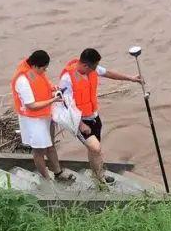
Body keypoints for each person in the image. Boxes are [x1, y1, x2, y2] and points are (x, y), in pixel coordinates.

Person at [59, 47, 143, 184]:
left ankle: (99, 177)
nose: (96, 70)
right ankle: (99, 178)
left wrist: (131, 79)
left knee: (94, 150)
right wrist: (80, 124)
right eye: (94, 67)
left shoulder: (92, 68)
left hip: (94, 117)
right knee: (95, 148)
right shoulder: (67, 78)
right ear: (85, 65)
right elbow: (67, 104)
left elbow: (109, 73)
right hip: (80, 121)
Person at [11, 50, 75, 182]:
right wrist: (53, 101)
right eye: (44, 69)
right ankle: (46, 178)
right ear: (35, 66)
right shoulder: (22, 80)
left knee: (50, 144)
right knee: (39, 150)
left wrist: (53, 90)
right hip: (33, 119)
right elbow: (31, 105)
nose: (45, 71)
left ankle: (58, 173)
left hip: (44, 114)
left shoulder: (34, 71)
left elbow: (42, 86)